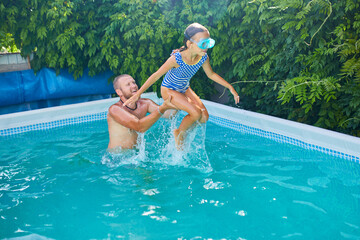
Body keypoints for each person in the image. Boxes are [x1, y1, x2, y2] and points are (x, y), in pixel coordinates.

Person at [123, 23, 240, 148]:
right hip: (169, 90)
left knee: (204, 117)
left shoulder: (203, 57)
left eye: (208, 43)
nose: (206, 47)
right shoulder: (176, 59)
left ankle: (184, 131)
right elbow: (156, 75)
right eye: (203, 44)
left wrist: (230, 87)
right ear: (190, 44)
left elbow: (211, 74)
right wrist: (138, 95)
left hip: (184, 88)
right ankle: (179, 133)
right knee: (195, 113)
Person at [107, 74, 176, 150]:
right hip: (117, 158)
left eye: (134, 82)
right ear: (119, 92)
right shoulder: (115, 109)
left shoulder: (145, 104)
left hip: (136, 154)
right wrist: (162, 108)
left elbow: (169, 114)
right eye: (128, 84)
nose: (134, 86)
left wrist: (180, 96)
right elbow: (139, 127)